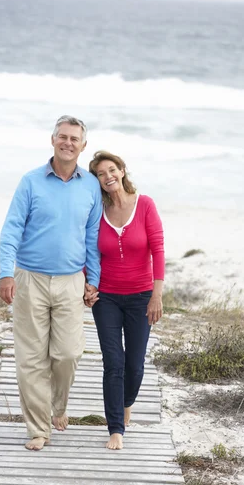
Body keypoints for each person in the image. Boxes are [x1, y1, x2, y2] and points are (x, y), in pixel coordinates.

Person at [0, 115, 102, 451]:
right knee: (31, 358)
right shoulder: (30, 182)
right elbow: (12, 228)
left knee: (68, 353)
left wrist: (93, 279)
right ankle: (39, 429)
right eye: (62, 136)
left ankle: (59, 407)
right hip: (30, 279)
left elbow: (93, 236)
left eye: (74, 139)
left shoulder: (90, 186)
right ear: (53, 139)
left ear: (82, 146)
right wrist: (5, 272)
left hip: (72, 280)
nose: (68, 143)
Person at [87, 150, 164, 450]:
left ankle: (126, 403)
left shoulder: (144, 205)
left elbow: (158, 250)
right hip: (106, 297)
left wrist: (156, 295)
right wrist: (88, 282)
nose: (108, 177)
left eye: (111, 170)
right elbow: (88, 251)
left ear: (122, 170)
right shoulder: (97, 211)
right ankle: (116, 427)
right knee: (113, 362)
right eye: (101, 174)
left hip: (141, 296)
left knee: (135, 365)